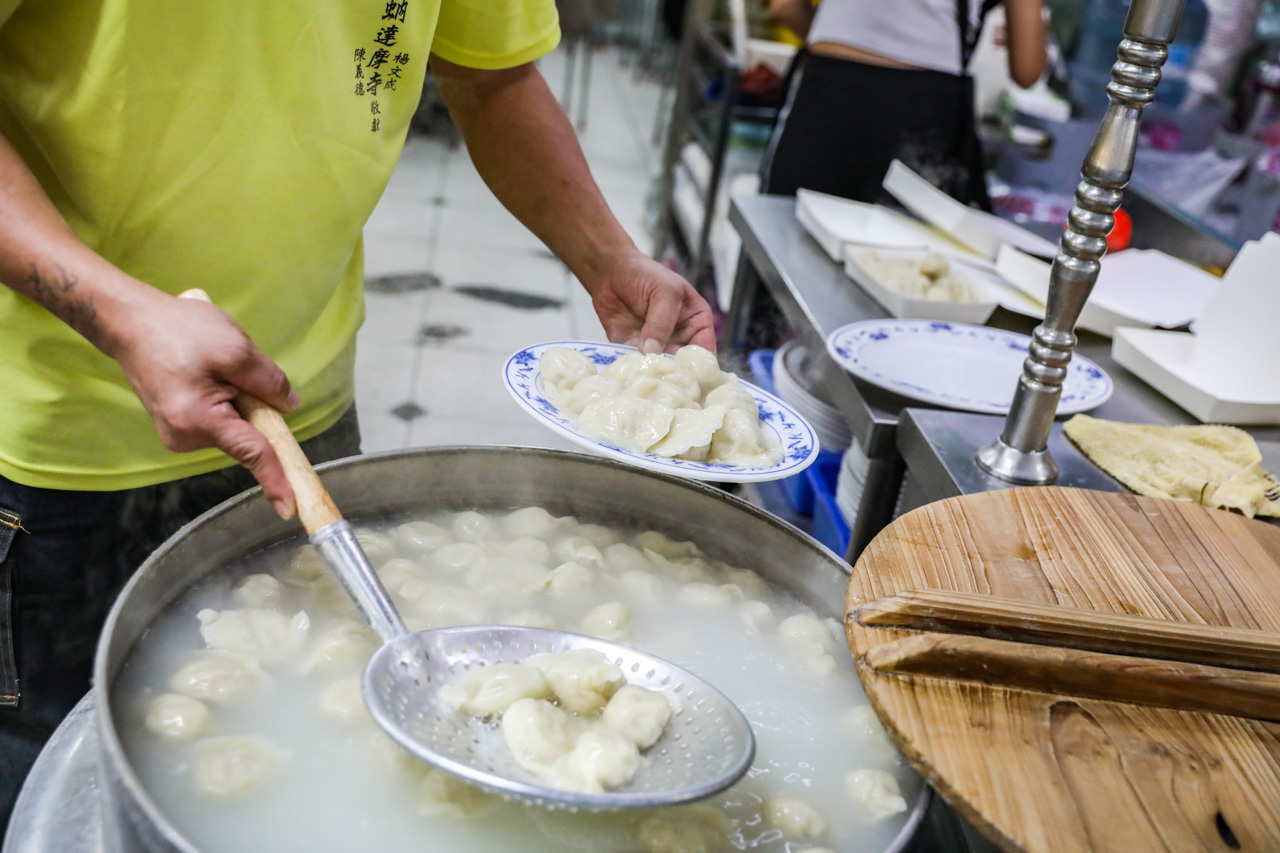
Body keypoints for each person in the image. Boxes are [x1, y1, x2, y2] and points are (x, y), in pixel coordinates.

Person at [0, 0, 714, 833]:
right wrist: (120, 314)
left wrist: (610, 259)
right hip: (55, 446)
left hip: (306, 418)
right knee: (56, 788)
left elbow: (490, 79)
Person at [762, 0, 1048, 206]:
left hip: (825, 92)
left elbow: (784, 7)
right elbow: (1027, 68)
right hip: (920, 105)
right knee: (895, 270)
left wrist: (852, 40)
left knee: (788, 249)